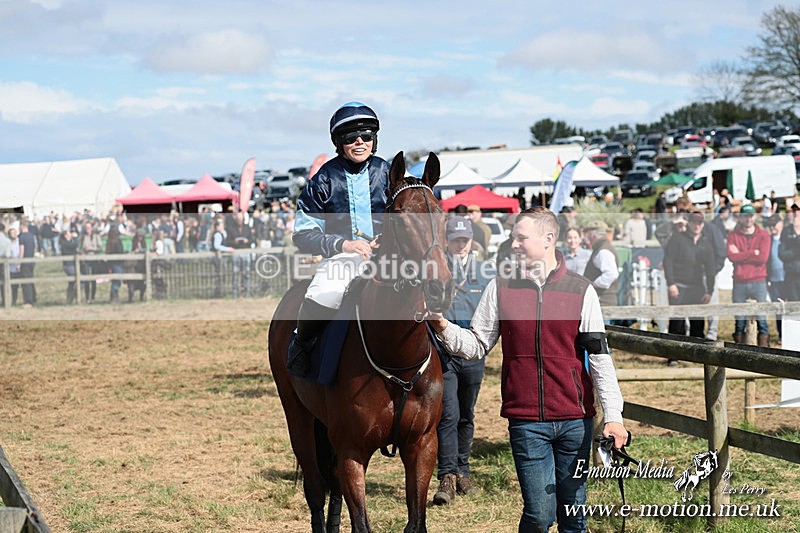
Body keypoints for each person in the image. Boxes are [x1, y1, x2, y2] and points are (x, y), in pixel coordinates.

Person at [428, 207, 627, 533]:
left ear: (548, 239)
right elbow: (477, 345)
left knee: (574, 517)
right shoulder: (500, 287)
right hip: (527, 422)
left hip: (576, 422)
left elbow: (600, 359)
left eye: (521, 237)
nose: (514, 244)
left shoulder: (581, 290)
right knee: (538, 515)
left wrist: (614, 416)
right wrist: (441, 325)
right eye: (513, 237)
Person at [287, 102, 389, 376]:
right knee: (323, 293)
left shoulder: (388, 172)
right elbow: (303, 234)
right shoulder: (323, 180)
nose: (359, 142)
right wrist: (343, 244)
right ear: (338, 142)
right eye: (350, 138)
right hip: (342, 260)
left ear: (374, 140)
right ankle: (302, 344)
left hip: (388, 258)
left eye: (366, 136)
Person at [432, 216, 495, 506]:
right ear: (446, 240)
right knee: (448, 415)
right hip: (443, 354)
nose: (460, 244)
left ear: (471, 241)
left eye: (464, 239)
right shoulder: (435, 270)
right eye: (455, 239)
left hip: (472, 353)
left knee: (467, 414)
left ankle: (463, 471)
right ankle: (446, 475)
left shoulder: (486, 273)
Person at [663, 212, 716, 362]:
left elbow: (710, 268)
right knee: (677, 323)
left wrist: (709, 290)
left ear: (703, 224)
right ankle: (673, 356)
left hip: (697, 287)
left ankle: (696, 355)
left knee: (697, 324)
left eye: (700, 223)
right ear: (689, 223)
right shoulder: (677, 239)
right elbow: (668, 262)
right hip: (678, 285)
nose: (697, 225)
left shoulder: (706, 243)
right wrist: (671, 283)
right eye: (694, 222)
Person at [727, 204, 771, 346]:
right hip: (739, 281)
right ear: (740, 217)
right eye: (745, 215)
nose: (748, 219)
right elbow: (731, 257)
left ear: (755, 216)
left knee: (761, 318)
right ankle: (740, 350)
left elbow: (763, 258)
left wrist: (741, 255)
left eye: (751, 215)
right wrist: (753, 253)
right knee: (739, 319)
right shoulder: (733, 235)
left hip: (759, 281)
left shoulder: (763, 234)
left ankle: (764, 351)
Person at [582, 220, 619, 307]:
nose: (588, 238)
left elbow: (611, 274)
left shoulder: (603, 251)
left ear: (593, 235)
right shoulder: (602, 248)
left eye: (588, 235)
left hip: (603, 301)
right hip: (602, 301)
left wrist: (593, 284)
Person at [765, 214, 785, 340]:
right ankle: (781, 334)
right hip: (774, 280)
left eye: (774, 224)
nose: (772, 227)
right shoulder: (768, 240)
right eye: (770, 225)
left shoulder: (788, 237)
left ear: (781, 224)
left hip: (788, 279)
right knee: (778, 309)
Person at [59, 228, 80, 304]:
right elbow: (74, 245)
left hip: (72, 264)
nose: (71, 235)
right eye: (69, 234)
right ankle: (71, 297)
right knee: (75, 280)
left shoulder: (68, 242)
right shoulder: (64, 243)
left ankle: (70, 298)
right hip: (68, 265)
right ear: (65, 236)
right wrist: (75, 237)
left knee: (72, 282)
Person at [105, 226, 125, 303]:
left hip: (115, 262)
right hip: (116, 263)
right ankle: (113, 296)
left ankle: (115, 296)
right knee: (116, 279)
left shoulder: (109, 241)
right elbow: (119, 251)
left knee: (116, 279)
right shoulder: (115, 242)